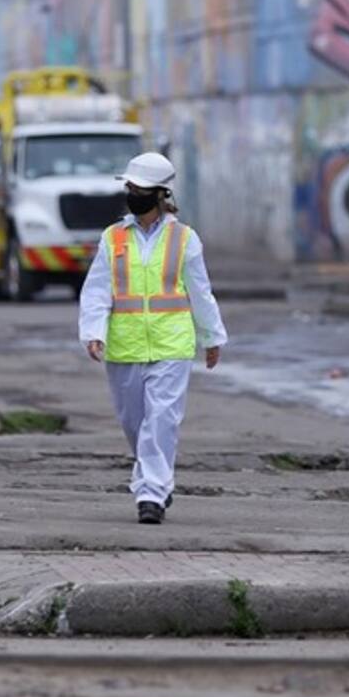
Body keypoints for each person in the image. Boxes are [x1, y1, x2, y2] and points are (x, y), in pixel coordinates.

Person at [79, 152, 228, 525]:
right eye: (130, 188)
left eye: (141, 190)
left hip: (172, 344)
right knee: (134, 423)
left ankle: (152, 493)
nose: (134, 195)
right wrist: (93, 331)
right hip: (125, 345)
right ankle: (153, 476)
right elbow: (97, 289)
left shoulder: (184, 239)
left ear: (162, 194)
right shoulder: (113, 237)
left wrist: (212, 337)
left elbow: (200, 291)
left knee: (161, 419)